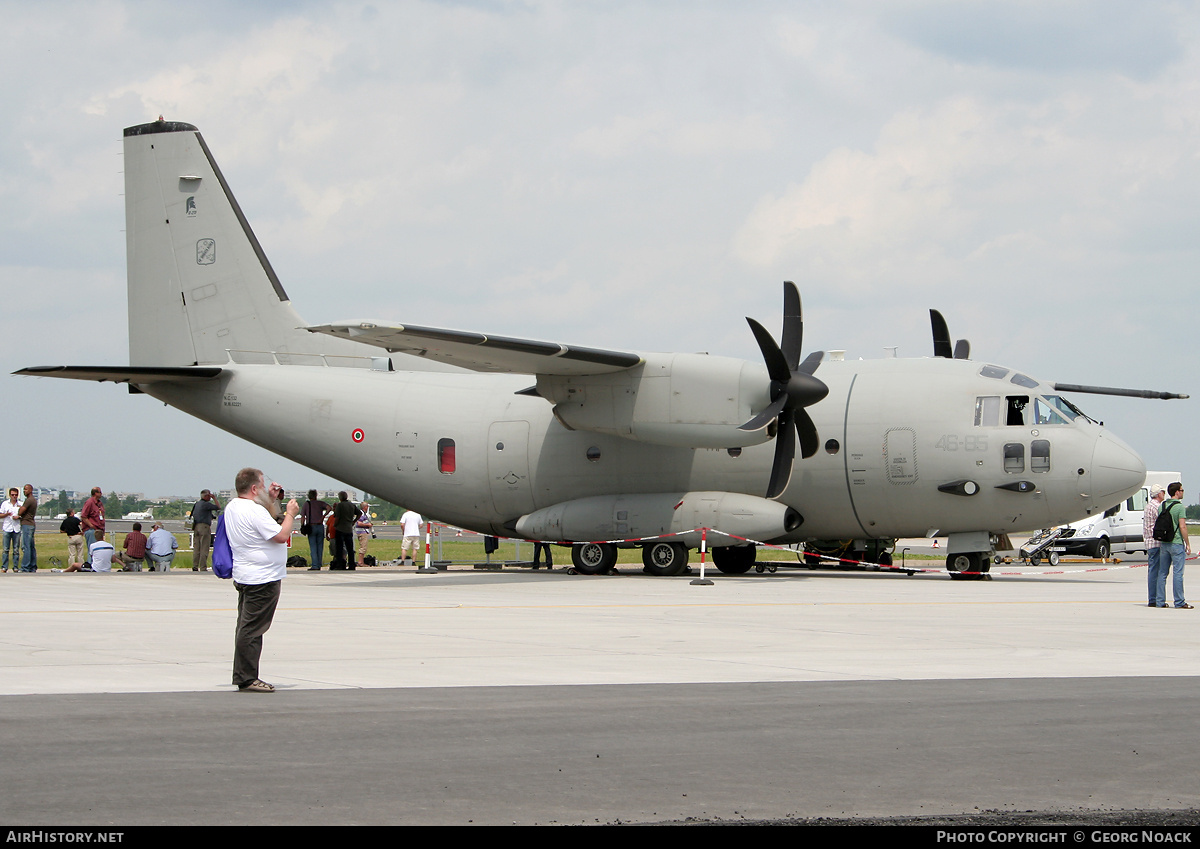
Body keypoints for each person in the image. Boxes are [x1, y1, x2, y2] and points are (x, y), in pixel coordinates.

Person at [225, 467, 299, 693]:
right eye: (263, 485)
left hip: (246, 575)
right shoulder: (253, 511)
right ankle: (247, 678)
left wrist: (272, 499)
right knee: (252, 629)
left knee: (246, 626)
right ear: (254, 488)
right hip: (262, 578)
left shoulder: (234, 507)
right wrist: (290, 514)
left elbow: (263, 519)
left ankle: (244, 674)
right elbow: (281, 535)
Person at [1161, 482, 1192, 609]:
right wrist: (1188, 543)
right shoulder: (1179, 507)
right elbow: (1182, 526)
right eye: (1182, 490)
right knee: (1178, 573)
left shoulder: (1162, 505)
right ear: (1177, 492)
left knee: (1162, 573)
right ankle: (1179, 601)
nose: (1183, 492)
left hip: (1164, 543)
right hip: (1176, 542)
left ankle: (1160, 600)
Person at [1144, 485, 1168, 607]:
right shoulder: (1157, 506)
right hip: (1157, 542)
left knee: (1152, 571)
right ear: (1159, 494)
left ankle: (1152, 598)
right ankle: (1156, 599)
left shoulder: (1148, 506)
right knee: (1158, 572)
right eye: (1163, 492)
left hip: (1149, 542)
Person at [190, 489, 221, 572]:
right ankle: (203, 567)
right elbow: (218, 507)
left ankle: (195, 565)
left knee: (197, 548)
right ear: (206, 496)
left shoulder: (197, 504)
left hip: (196, 526)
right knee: (204, 547)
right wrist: (214, 498)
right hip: (204, 527)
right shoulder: (206, 505)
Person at [301, 490, 330, 570]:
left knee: (313, 547)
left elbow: (303, 516)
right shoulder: (320, 503)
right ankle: (319, 564)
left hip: (311, 526)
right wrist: (323, 516)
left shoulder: (307, 504)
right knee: (320, 547)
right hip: (320, 526)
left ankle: (315, 565)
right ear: (316, 496)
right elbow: (329, 508)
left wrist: (302, 525)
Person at [331, 491, 358, 569]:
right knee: (350, 548)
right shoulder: (351, 505)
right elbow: (359, 513)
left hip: (340, 528)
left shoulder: (340, 505)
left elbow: (337, 517)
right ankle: (352, 565)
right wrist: (353, 521)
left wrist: (335, 525)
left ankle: (340, 565)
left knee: (339, 549)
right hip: (349, 529)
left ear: (340, 498)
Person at [80, 487, 105, 569]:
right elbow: (83, 516)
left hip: (99, 530)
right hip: (91, 530)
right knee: (93, 550)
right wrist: (91, 525)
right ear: (95, 493)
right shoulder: (89, 502)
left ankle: (97, 567)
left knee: (99, 550)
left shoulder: (100, 504)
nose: (101, 494)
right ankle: (90, 567)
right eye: (100, 492)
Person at [17, 484, 37, 572]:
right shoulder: (33, 500)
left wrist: (19, 510)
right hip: (31, 524)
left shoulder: (29, 500)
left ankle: (25, 566)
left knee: (26, 546)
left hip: (27, 524)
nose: (24, 491)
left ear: (30, 490)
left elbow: (21, 511)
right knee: (31, 546)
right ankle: (32, 566)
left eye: (26, 489)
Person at [1, 487, 20, 572]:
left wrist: (18, 517)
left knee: (16, 549)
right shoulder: (5, 504)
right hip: (7, 528)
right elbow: (0, 515)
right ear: (9, 495)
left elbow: (24, 515)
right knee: (5, 549)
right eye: (12, 495)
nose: (14, 496)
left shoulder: (20, 504)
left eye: (15, 495)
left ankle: (15, 566)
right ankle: (4, 567)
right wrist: (6, 514)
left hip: (16, 528)